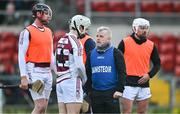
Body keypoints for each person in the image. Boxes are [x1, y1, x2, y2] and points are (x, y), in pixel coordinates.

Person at [118, 18, 161, 114]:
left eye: (146, 28)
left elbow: (157, 63)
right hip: (127, 83)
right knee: (126, 112)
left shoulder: (151, 45)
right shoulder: (124, 42)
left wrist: (149, 75)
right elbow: (117, 61)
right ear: (134, 28)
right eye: (141, 28)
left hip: (144, 83)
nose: (145, 30)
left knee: (142, 112)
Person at [18, 3, 53, 114]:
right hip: (34, 71)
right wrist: (23, 76)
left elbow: (51, 55)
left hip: (48, 71)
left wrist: (59, 72)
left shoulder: (49, 31)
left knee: (44, 108)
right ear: (38, 14)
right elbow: (21, 54)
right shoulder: (27, 31)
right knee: (40, 106)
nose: (48, 16)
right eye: (46, 13)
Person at [85, 26, 126, 113]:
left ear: (109, 39)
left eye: (101, 36)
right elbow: (88, 74)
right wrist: (89, 91)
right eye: (97, 36)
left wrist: (119, 90)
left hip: (112, 93)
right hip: (96, 94)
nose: (98, 39)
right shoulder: (91, 54)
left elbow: (122, 73)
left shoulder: (116, 52)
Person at [53, 15, 88, 114]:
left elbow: (55, 60)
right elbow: (79, 66)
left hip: (60, 81)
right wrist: (84, 80)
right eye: (84, 28)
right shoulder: (76, 42)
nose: (84, 31)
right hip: (71, 81)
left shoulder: (61, 39)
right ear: (80, 27)